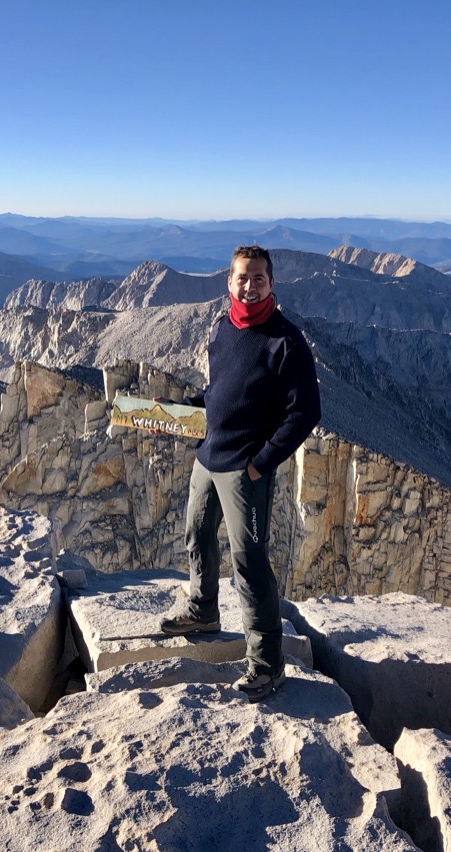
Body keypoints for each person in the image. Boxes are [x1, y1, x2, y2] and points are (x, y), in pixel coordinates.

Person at [160, 245, 321, 702]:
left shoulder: (285, 342)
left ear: (272, 284)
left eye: (258, 279)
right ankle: (203, 608)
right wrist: (182, 415)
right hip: (207, 458)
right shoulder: (221, 328)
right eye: (241, 278)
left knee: (249, 563)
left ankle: (268, 664)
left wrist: (261, 462)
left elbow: (305, 412)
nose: (249, 286)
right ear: (228, 283)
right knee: (196, 533)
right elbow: (217, 392)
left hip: (245, 471)